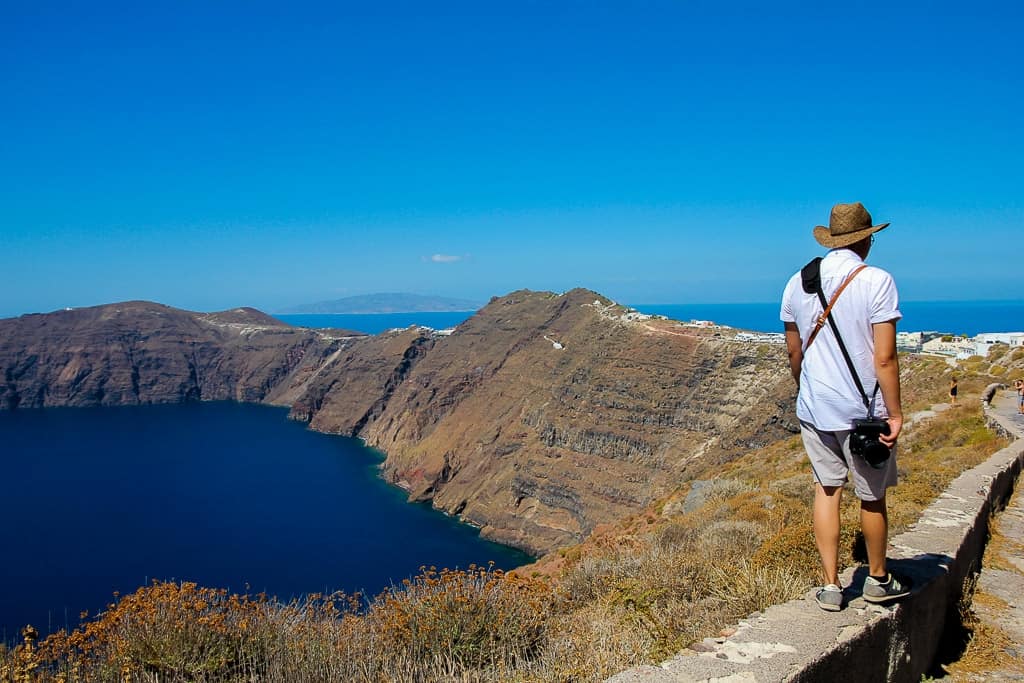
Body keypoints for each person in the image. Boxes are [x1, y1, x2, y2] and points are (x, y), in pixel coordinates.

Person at [780, 201, 912, 612]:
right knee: (871, 497)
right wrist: (895, 412)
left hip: (815, 408)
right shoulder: (877, 281)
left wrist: (807, 389)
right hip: (864, 414)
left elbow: (793, 351)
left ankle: (831, 586)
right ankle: (876, 579)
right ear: (867, 239)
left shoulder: (796, 283)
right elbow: (885, 357)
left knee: (826, 489)